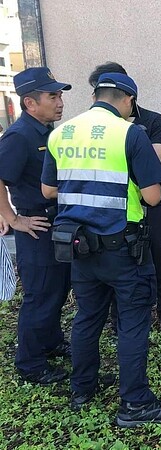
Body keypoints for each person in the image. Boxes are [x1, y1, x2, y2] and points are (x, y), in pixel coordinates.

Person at [41, 72, 161, 425]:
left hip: (78, 247)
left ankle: (82, 388)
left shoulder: (61, 134)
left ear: (95, 96)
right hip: (122, 248)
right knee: (133, 321)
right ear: (128, 100)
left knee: (87, 317)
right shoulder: (130, 133)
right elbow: (152, 195)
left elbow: (47, 191)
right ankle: (135, 404)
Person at [88, 62, 161, 344]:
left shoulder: (152, 121)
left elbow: (153, 162)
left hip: (151, 207)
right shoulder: (96, 129)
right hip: (118, 209)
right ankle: (119, 326)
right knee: (122, 266)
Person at [0, 67, 72, 384]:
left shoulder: (46, 131)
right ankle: (30, 363)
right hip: (36, 225)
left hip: (56, 221)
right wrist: (14, 219)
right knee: (40, 294)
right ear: (30, 103)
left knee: (58, 287)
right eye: (52, 96)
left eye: (59, 95)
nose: (60, 102)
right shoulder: (19, 136)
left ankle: (51, 342)